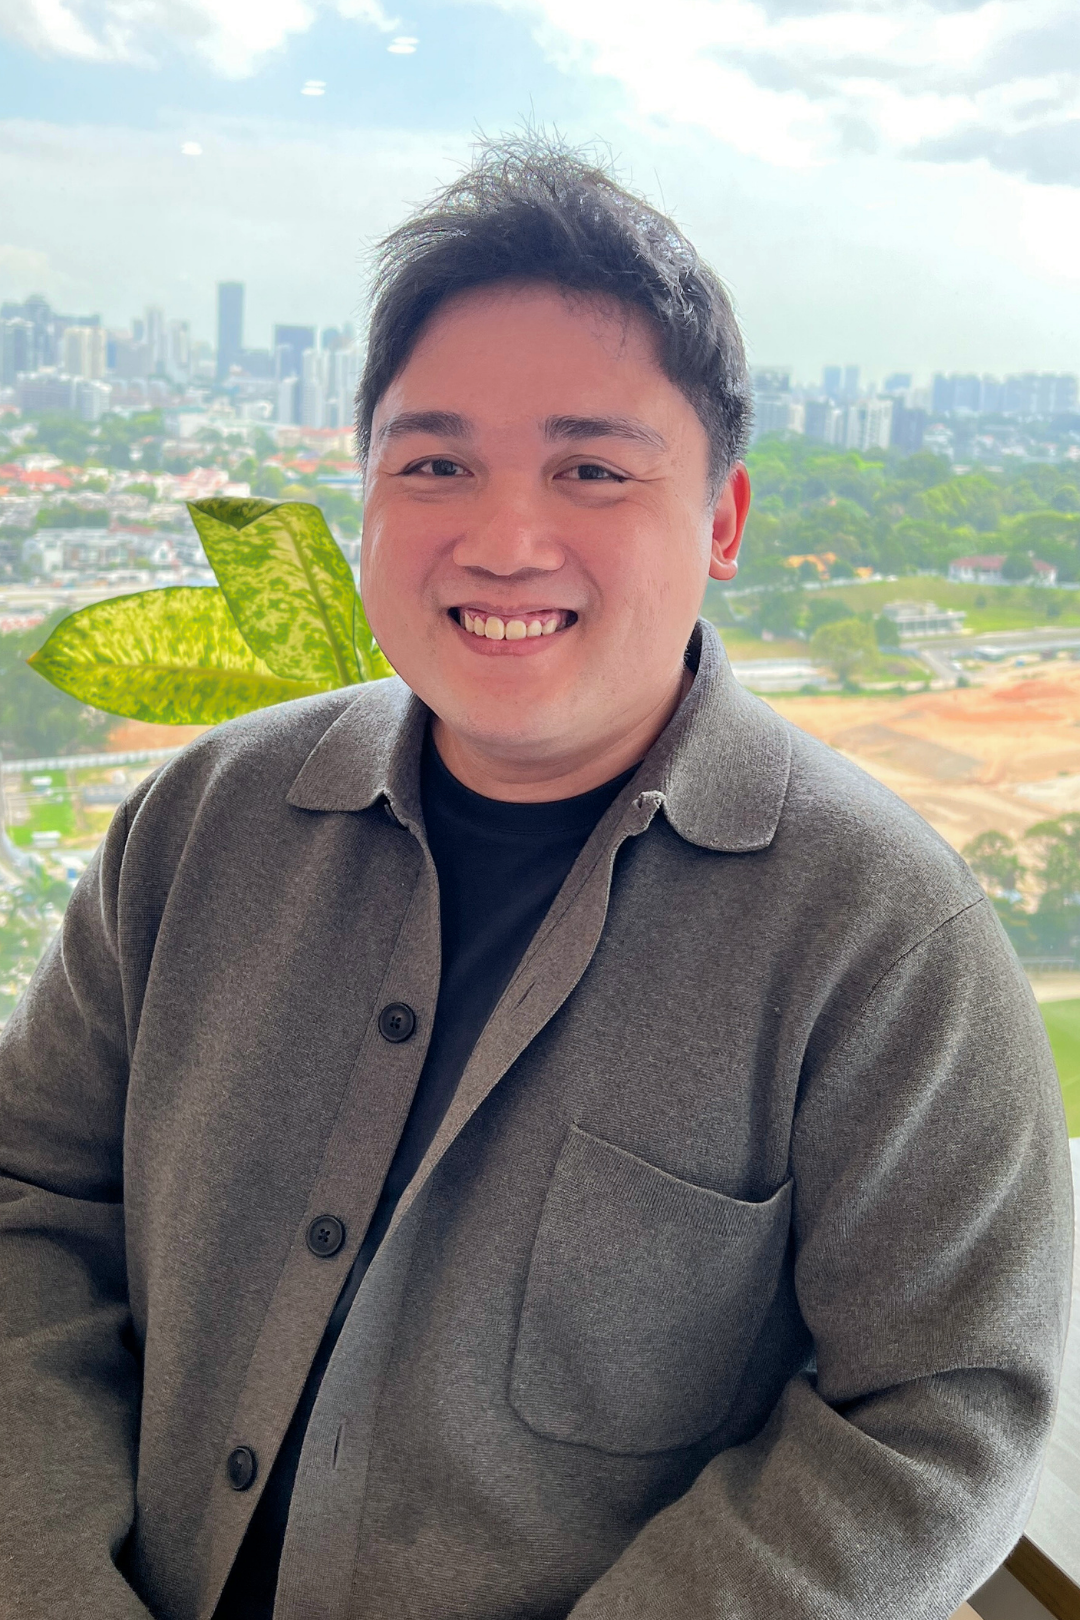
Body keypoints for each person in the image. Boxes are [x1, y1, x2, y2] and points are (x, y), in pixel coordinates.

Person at [0, 137, 1072, 1620]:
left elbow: (940, 1416)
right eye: (435, 463)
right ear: (365, 492)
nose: (504, 542)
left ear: (723, 521)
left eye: (592, 469)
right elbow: (29, 1200)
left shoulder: (882, 941)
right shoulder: (200, 827)